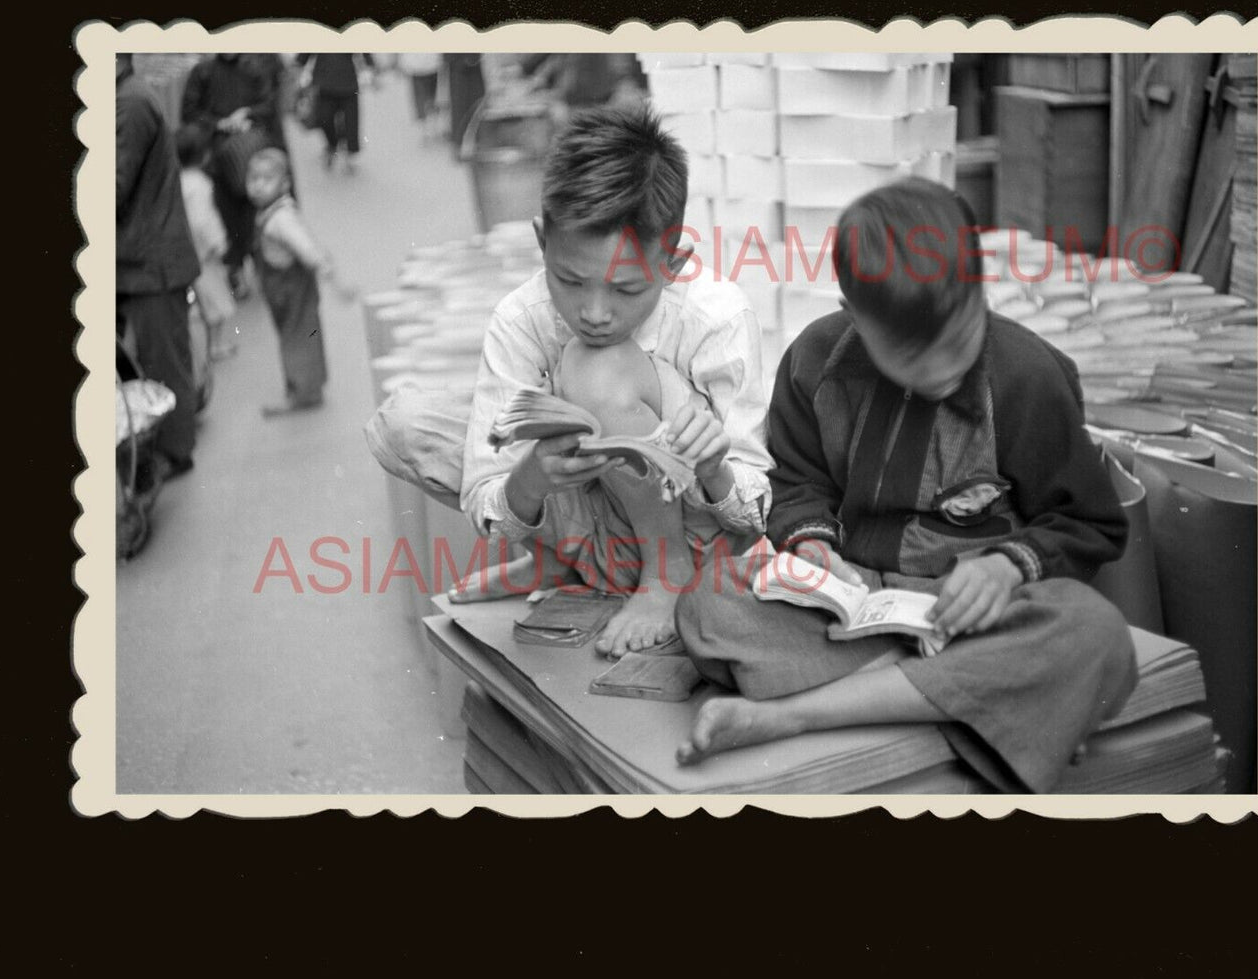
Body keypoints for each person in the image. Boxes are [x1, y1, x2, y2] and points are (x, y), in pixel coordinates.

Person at [672, 178, 1139, 794]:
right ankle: (959, 692)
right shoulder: (817, 362)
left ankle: (789, 716)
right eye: (915, 360)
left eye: (960, 341)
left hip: (979, 615)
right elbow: (797, 481)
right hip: (855, 609)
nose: (944, 370)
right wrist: (811, 548)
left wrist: (1007, 567)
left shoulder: (1028, 378)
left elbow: (1089, 523)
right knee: (707, 604)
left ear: (978, 292)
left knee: (1094, 634)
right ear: (854, 317)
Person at [455, 106, 773, 658]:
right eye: (569, 280)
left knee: (594, 366)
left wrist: (714, 465)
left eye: (626, 290)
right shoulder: (520, 317)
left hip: (695, 537)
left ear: (673, 261)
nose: (595, 312)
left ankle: (664, 574)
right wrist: (530, 478)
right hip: (578, 518)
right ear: (542, 242)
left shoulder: (716, 317)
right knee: (405, 425)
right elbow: (485, 497)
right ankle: (556, 561)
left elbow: (754, 514)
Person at [116, 52, 201, 482]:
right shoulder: (126, 96)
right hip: (139, 259)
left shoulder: (128, 103)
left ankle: (175, 451)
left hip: (151, 262)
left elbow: (112, 186)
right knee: (158, 357)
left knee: (164, 362)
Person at [245, 148, 356, 417]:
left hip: (290, 290)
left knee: (297, 338)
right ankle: (309, 387)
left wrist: (330, 274)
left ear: (285, 184)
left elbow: (305, 247)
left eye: (266, 179)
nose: (258, 185)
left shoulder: (280, 218)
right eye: (253, 178)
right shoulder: (272, 211)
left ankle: (304, 392)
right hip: (286, 289)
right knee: (302, 334)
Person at [180, 53, 290, 297]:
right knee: (228, 216)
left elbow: (269, 104)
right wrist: (218, 124)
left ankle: (262, 266)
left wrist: (247, 114)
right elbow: (190, 111)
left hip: (252, 155)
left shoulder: (254, 68)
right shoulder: (203, 72)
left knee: (256, 215)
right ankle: (235, 270)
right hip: (219, 161)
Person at [174, 124, 238, 360]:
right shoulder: (200, 184)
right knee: (216, 300)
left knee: (202, 299)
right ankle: (215, 345)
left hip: (185, 248)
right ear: (204, 155)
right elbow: (203, 220)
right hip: (204, 252)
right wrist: (218, 243)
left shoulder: (178, 181)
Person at [295, 53, 375, 172]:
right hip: (324, 85)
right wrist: (299, 67)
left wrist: (369, 65)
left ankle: (349, 153)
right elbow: (304, 55)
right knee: (324, 119)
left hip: (348, 84)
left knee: (351, 122)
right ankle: (332, 144)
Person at [397, 53, 443, 128]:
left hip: (420, 64)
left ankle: (424, 120)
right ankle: (427, 120)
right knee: (428, 94)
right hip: (428, 63)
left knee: (421, 95)